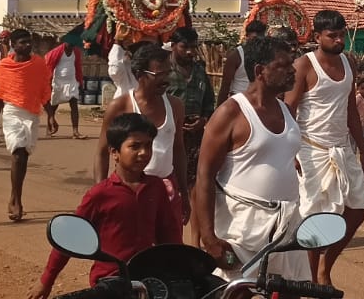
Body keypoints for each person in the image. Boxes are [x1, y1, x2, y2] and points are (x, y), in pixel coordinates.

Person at [193, 36, 311, 282]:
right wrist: (209, 239)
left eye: (292, 63)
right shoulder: (231, 112)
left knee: (291, 291)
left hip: (287, 226)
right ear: (260, 70)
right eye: (283, 65)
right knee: (237, 291)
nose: (292, 71)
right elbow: (204, 177)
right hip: (242, 228)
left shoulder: (286, 111)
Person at [28, 112, 183, 299]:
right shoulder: (100, 194)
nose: (144, 152)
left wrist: (180, 270)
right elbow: (70, 237)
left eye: (148, 145)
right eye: (135, 146)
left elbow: (169, 234)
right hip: (110, 281)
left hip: (147, 278)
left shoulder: (156, 187)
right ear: (114, 152)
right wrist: (47, 280)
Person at [285, 9, 364, 286]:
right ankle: (312, 280)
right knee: (313, 220)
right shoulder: (304, 65)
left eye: (341, 34)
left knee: (357, 210)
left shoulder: (349, 63)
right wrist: (289, 152)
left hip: (342, 149)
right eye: (331, 35)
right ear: (317, 36)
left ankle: (325, 266)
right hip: (310, 151)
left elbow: (350, 111)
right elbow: (289, 109)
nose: (338, 40)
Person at [98, 45, 189, 224]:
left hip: (167, 191)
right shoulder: (120, 106)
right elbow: (102, 152)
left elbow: (178, 150)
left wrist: (183, 193)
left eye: (168, 73)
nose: (166, 80)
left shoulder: (176, 106)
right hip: (130, 190)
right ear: (139, 74)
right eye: (159, 74)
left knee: (169, 247)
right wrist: (102, 193)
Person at [0, 28, 48, 221]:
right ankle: (16, 201)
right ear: (13, 45)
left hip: (32, 113)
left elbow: (44, 90)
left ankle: (15, 195)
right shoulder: (4, 66)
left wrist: (51, 116)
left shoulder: (39, 64)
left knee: (24, 155)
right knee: (18, 153)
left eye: (29, 42)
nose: (27, 45)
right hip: (12, 112)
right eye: (23, 42)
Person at [166, 27, 215, 191]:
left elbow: (209, 102)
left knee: (194, 180)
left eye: (193, 47)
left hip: (195, 136)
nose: (190, 52)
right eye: (184, 47)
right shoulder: (164, 71)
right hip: (169, 135)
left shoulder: (200, 71)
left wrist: (203, 120)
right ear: (173, 45)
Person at [44, 33, 85, 139]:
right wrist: (48, 84)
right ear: (64, 42)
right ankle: (49, 127)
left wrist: (80, 82)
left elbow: (78, 67)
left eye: (73, 44)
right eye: (69, 44)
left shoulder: (76, 52)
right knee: (53, 107)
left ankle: (75, 132)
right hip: (58, 82)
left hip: (71, 82)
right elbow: (48, 66)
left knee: (74, 105)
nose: (71, 46)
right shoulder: (56, 52)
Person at [217, 20, 267, 99]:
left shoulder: (268, 55)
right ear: (247, 37)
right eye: (254, 39)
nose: (257, 42)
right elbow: (225, 86)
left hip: (260, 100)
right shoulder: (236, 56)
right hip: (239, 100)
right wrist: (219, 109)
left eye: (260, 39)